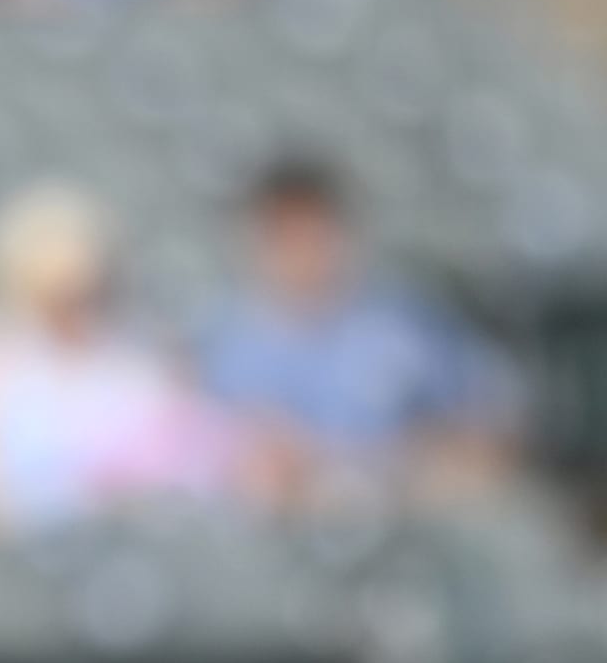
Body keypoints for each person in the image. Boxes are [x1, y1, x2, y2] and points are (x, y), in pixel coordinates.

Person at [0, 183, 233, 533]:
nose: (79, 310)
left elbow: (183, 455)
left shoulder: (145, 354)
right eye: (61, 296)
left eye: (90, 292)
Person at [197, 156, 522, 509]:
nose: (300, 253)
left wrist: (392, 466)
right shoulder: (225, 344)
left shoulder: (403, 325)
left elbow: (489, 427)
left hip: (402, 511)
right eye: (284, 237)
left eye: (312, 234)